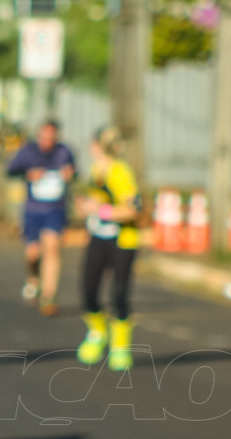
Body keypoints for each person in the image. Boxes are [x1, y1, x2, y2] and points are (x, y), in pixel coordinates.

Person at [74, 125, 142, 372]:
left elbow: (131, 210)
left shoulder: (120, 171)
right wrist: (86, 207)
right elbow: (98, 200)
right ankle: (97, 332)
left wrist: (99, 210)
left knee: (119, 293)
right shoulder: (95, 170)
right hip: (98, 238)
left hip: (122, 240)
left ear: (98, 146)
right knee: (88, 289)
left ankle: (120, 347)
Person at [6, 119, 76, 317]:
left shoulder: (64, 152)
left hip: (55, 209)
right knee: (33, 254)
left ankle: (48, 295)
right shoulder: (28, 151)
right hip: (33, 210)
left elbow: (74, 172)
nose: (47, 141)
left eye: (51, 138)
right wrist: (28, 173)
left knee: (52, 249)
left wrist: (69, 174)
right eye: (44, 137)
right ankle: (33, 279)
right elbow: (10, 170)